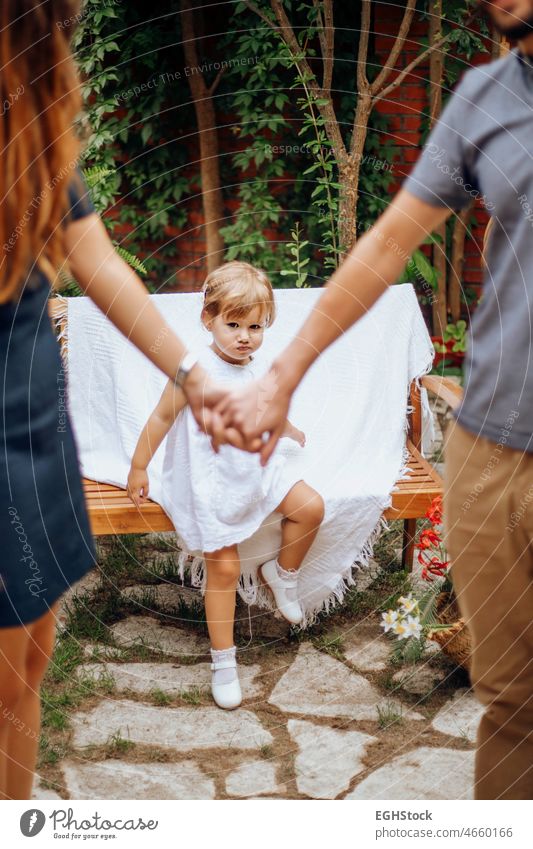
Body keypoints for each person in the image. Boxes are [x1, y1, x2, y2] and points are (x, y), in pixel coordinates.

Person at [215, 0, 533, 800]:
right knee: (513, 706)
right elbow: (388, 242)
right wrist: (281, 375)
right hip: (489, 452)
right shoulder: (486, 96)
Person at [0, 0, 242, 800]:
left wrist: (193, 375)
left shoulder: (31, 111)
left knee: (27, 666)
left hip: (34, 427)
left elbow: (97, 262)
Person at [127, 262, 325, 710]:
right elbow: (161, 418)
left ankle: (282, 574)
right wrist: (139, 467)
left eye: (255, 326)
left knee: (311, 507)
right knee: (224, 568)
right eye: (233, 324)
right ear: (208, 320)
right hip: (209, 479)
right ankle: (223, 659)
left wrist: (287, 428)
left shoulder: (255, 367)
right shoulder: (193, 372)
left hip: (254, 466)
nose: (244, 336)